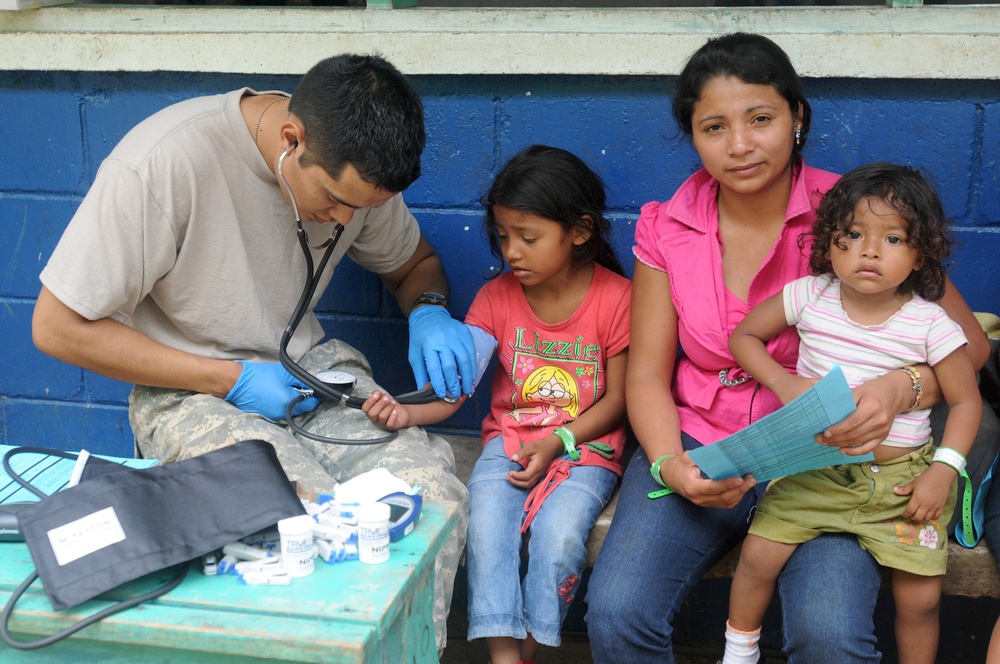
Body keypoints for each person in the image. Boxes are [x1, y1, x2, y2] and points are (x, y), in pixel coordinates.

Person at [30, 53, 474, 652]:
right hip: (189, 388)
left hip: (312, 375)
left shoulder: (356, 179)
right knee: (294, 511)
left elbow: (415, 264)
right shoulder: (162, 162)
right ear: (293, 139)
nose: (346, 219)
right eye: (336, 200)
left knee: (429, 499)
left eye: (361, 209)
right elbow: (57, 327)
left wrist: (429, 309)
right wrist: (227, 377)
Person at [584, 32, 992, 663]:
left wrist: (902, 387)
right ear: (691, 135)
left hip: (830, 461)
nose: (740, 145)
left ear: (797, 118)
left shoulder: (858, 216)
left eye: (761, 119)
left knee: (829, 637)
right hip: (704, 445)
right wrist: (669, 466)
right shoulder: (667, 226)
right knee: (618, 613)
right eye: (714, 126)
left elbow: (970, 349)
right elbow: (645, 375)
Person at [362, 145, 631, 664]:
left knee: (558, 538)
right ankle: (504, 656)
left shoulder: (618, 298)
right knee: (486, 530)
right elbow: (459, 390)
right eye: (504, 236)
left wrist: (558, 441)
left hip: (585, 449)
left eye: (528, 238)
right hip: (508, 445)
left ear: (579, 231)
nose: (512, 251)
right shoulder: (495, 298)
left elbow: (619, 399)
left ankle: (531, 646)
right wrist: (407, 413)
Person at [724, 163, 982, 664]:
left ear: (920, 254)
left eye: (892, 238)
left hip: (903, 483)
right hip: (812, 469)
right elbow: (744, 336)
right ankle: (738, 653)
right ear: (828, 241)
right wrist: (784, 382)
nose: (869, 250)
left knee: (921, 598)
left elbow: (967, 401)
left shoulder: (930, 322)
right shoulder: (810, 296)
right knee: (757, 557)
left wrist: (942, 471)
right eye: (853, 234)